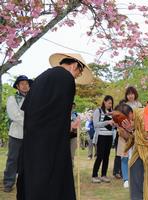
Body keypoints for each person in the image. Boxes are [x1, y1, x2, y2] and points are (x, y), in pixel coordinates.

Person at [16, 53, 93, 200]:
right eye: (78, 73)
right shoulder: (66, 79)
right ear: (74, 65)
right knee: (51, 184)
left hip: (32, 140)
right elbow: (61, 114)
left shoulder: (41, 78)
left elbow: (31, 111)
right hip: (51, 145)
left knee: (33, 181)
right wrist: (70, 126)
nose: (76, 77)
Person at [113, 103, 148, 200]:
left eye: (124, 120)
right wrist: (127, 130)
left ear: (130, 113)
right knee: (133, 166)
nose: (124, 123)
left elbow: (147, 139)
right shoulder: (133, 119)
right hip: (141, 150)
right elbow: (132, 139)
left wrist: (132, 130)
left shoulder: (143, 116)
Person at [3, 75, 32, 193]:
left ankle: (27, 182)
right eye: (22, 84)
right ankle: (8, 183)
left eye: (27, 84)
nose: (25, 86)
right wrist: (30, 122)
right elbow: (14, 115)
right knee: (13, 159)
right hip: (16, 134)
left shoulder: (34, 99)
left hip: (30, 135)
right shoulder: (12, 98)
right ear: (17, 86)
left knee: (29, 159)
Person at [118, 86, 142, 188]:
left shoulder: (139, 105)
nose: (130, 95)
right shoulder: (123, 106)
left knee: (136, 155)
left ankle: (135, 177)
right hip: (124, 133)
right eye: (128, 94)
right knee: (124, 155)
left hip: (136, 133)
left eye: (132, 93)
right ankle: (126, 179)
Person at [91, 95, 115, 183]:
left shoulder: (111, 112)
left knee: (106, 157)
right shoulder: (98, 111)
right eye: (109, 103)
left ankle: (103, 175)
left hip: (109, 136)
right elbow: (96, 124)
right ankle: (94, 175)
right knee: (100, 156)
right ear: (104, 102)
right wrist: (107, 122)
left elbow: (113, 125)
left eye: (111, 103)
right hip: (101, 136)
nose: (110, 105)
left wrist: (114, 123)